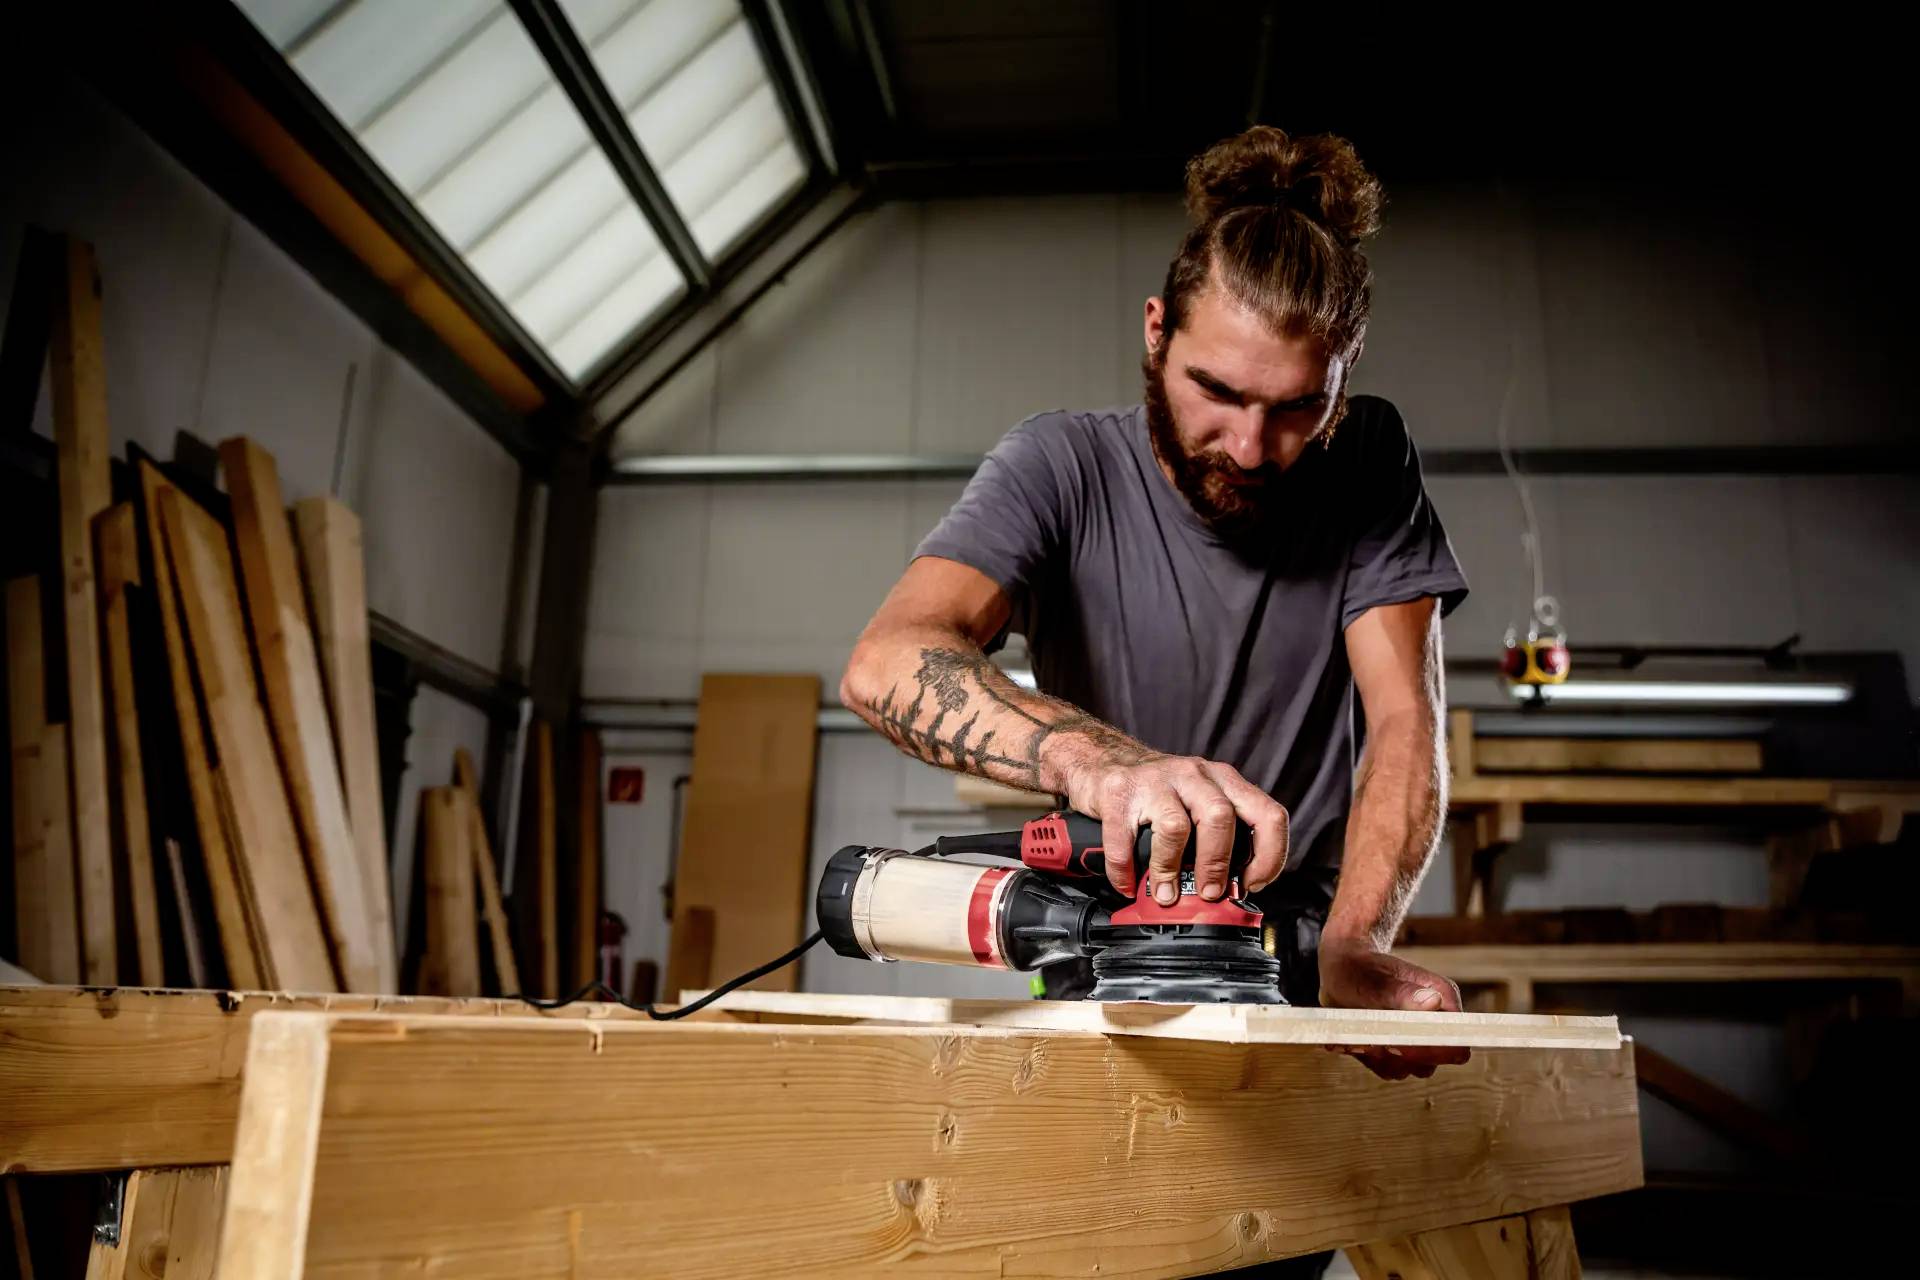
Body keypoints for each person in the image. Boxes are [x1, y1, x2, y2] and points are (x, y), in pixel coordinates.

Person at [841, 124, 1470, 1213]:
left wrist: (1358, 947)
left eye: (1294, 406)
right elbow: (890, 657)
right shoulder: (1059, 464)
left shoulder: (1368, 461)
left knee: (1269, 1232)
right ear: (1154, 331)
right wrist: (1102, 765)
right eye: (1215, 390)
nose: (1247, 443)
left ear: (1345, 372)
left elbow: (1404, 725)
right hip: (1101, 947)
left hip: (1296, 953)